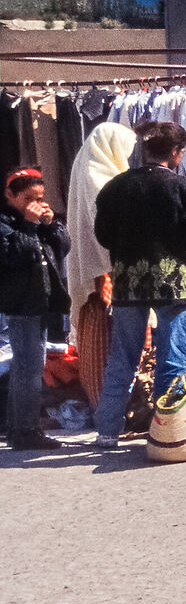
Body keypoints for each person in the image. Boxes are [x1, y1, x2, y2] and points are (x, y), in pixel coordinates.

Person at [91, 120, 186, 447]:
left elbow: (103, 235)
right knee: (172, 357)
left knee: (122, 356)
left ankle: (106, 430)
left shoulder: (115, 188)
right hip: (172, 281)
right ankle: (167, 430)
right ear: (176, 152)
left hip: (128, 281)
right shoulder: (181, 186)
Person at [62, 122, 137, 409]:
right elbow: (109, 228)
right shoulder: (102, 177)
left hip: (95, 271)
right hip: (106, 272)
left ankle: (105, 407)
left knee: (99, 337)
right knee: (113, 340)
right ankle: (112, 408)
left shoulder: (87, 166)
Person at [0, 169, 71, 449]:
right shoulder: (5, 223)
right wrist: (30, 224)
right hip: (20, 304)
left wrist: (52, 226)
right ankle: (26, 431)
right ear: (10, 195)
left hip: (41, 302)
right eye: (28, 198)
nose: (35, 204)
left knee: (29, 366)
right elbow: (16, 254)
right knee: (28, 369)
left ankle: (18, 428)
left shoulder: (36, 222)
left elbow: (62, 248)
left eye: (39, 198)